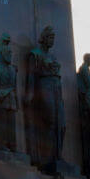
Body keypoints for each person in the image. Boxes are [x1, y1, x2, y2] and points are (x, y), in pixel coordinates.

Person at [26, 26, 65, 167]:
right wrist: (30, 93)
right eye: (50, 37)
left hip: (56, 88)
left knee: (61, 124)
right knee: (49, 121)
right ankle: (46, 157)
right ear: (43, 38)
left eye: (53, 38)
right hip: (44, 87)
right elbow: (31, 75)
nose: (52, 41)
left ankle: (57, 156)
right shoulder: (35, 54)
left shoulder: (53, 57)